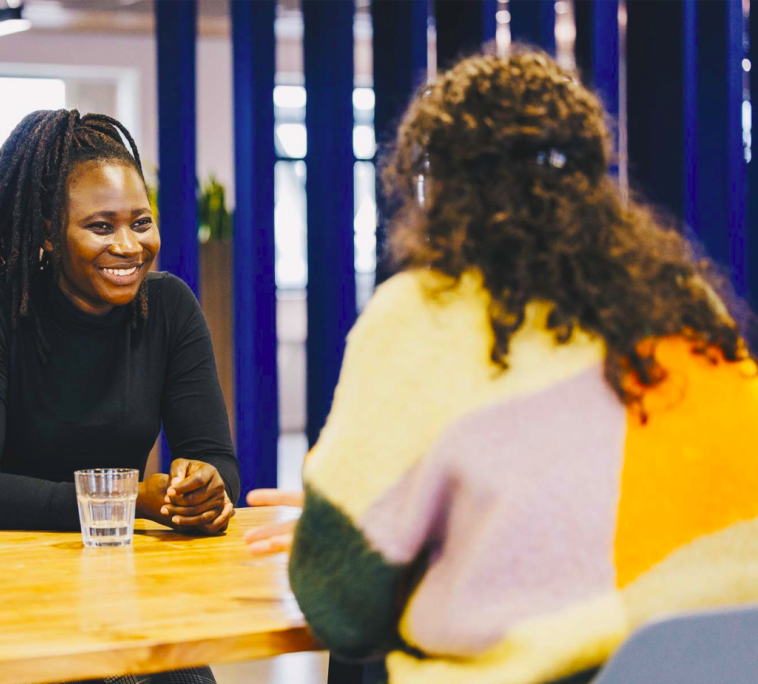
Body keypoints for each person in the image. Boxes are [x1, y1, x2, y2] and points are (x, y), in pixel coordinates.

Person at [247, 49, 758, 684]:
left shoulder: (426, 312)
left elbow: (340, 606)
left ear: (441, 187)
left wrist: (357, 530)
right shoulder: (684, 300)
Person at [0, 110, 238, 684]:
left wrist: (201, 489)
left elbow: (217, 460)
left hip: (114, 580)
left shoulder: (169, 308)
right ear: (50, 231)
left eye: (141, 223)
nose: (129, 246)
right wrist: (129, 500)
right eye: (101, 227)